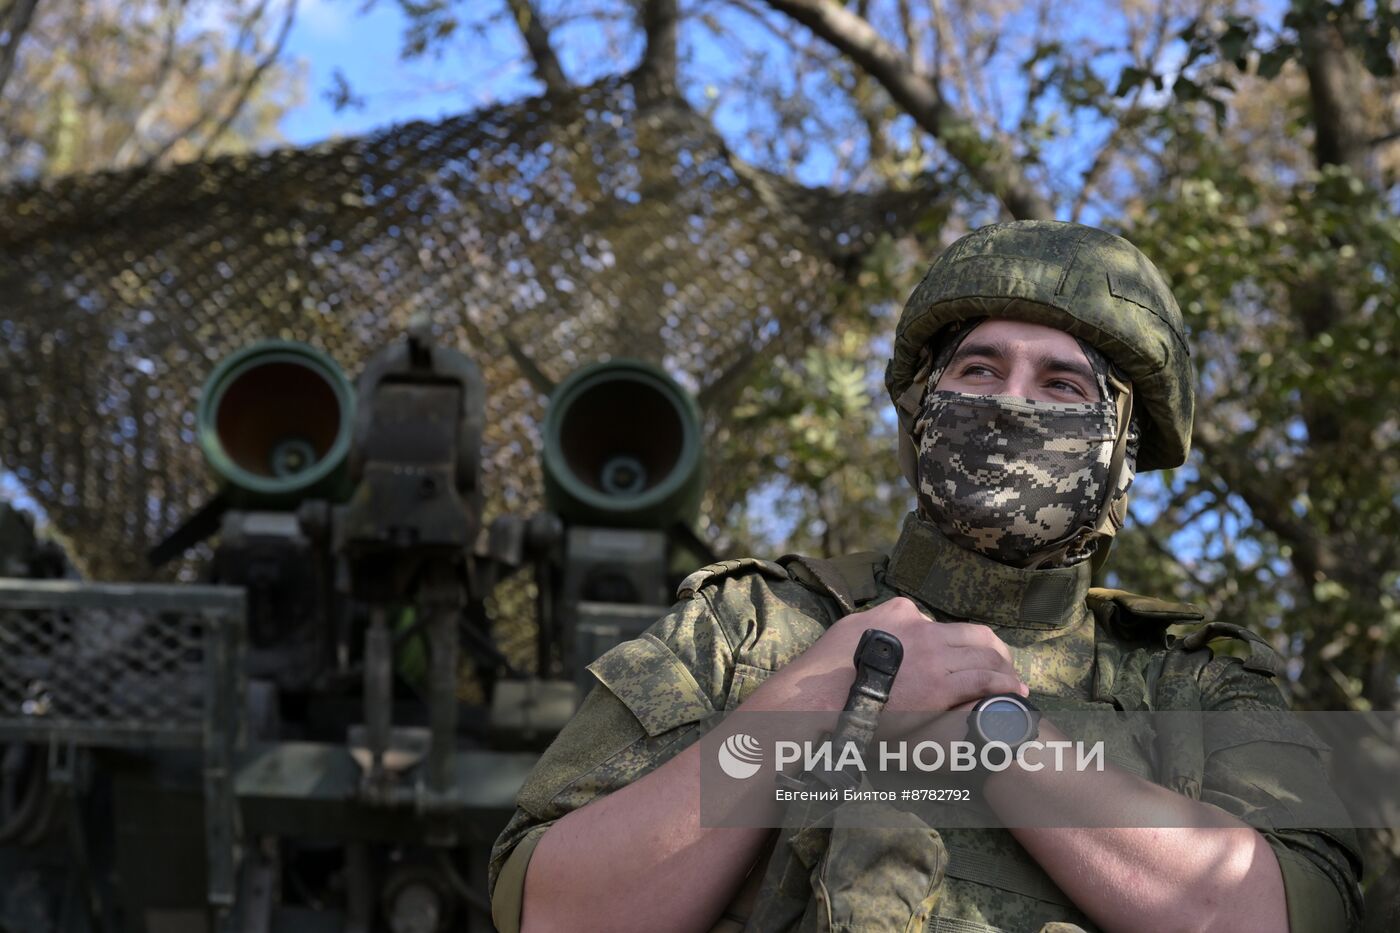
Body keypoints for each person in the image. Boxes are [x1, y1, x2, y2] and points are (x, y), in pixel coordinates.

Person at [488, 221, 1363, 932]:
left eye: (1063, 385)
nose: (1011, 402)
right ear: (920, 412)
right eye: (980, 369)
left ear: (1121, 449)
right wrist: (816, 699)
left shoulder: (1195, 681)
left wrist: (990, 735)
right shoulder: (748, 626)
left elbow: (1275, 913)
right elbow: (557, 912)